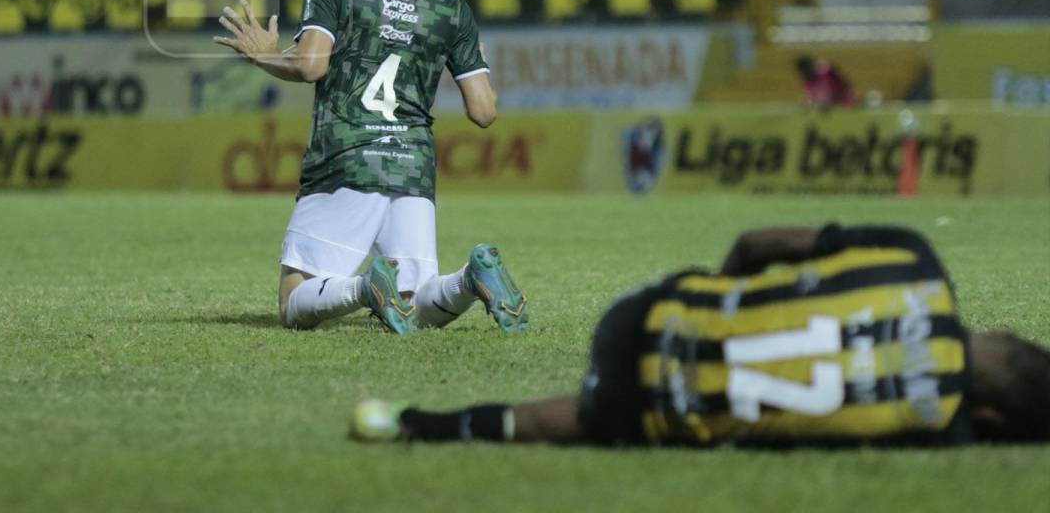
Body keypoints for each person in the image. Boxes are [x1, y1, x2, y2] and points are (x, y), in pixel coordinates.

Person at [351, 224, 1050, 445]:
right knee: (594, 421)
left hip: (649, 307)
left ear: (1006, 334)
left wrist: (721, 299)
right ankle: (418, 424)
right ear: (986, 417)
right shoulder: (926, 427)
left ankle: (416, 416)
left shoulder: (916, 260)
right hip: (642, 401)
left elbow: (756, 243)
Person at [214, 0, 528, 336]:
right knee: (415, 304)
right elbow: (484, 112)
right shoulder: (450, 4)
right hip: (412, 164)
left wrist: (262, 55)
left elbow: (310, 66)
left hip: (348, 155)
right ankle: (470, 280)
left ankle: (363, 290)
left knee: (293, 299)